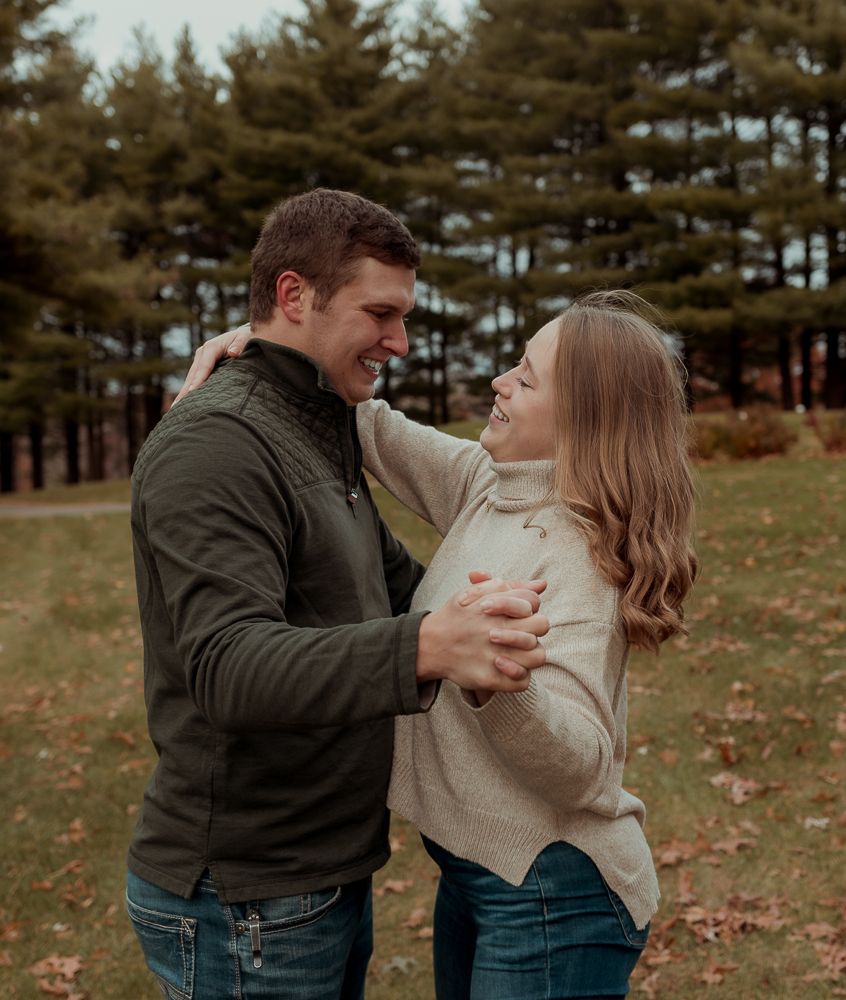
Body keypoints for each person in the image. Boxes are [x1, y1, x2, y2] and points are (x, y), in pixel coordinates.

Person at [184, 289, 698, 999]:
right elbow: (371, 424)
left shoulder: (581, 559)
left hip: (553, 890)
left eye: (526, 376)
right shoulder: (492, 485)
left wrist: (494, 680)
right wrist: (273, 343)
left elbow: (583, 767)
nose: (500, 382)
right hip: (482, 875)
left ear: (583, 416)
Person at [126, 187, 553, 1000]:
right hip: (246, 896)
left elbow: (398, 591)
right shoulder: (217, 442)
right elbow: (228, 667)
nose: (398, 341)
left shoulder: (315, 426)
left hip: (314, 876)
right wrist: (429, 644)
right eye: (380, 313)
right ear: (294, 295)